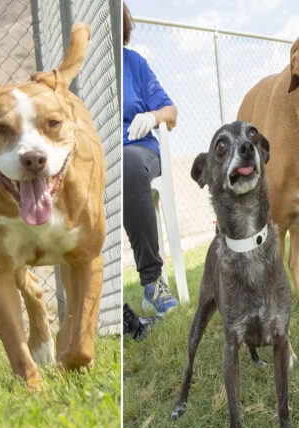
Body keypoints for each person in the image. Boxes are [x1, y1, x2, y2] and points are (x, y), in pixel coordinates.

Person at [123, 3, 179, 316]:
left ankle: (152, 281)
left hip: (139, 152)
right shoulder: (87, 68)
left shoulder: (135, 64)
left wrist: (152, 115)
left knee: (128, 163)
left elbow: (171, 112)